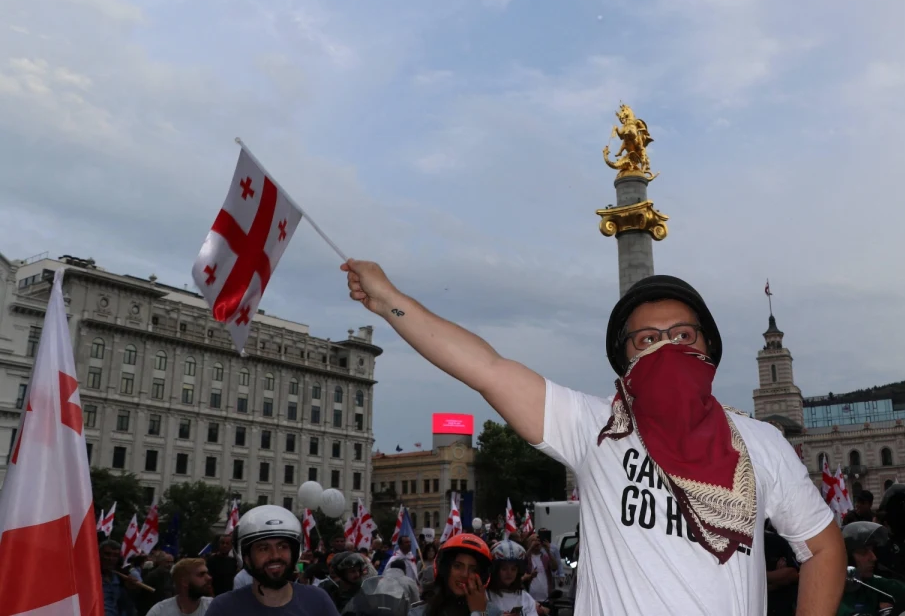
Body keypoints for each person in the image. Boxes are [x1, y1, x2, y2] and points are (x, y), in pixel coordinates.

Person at [342, 261, 845, 615]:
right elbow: (487, 369)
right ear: (625, 361)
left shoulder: (761, 443)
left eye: (683, 335)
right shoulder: (592, 427)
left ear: (708, 350)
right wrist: (390, 301)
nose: (667, 347)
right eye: (647, 339)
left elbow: (822, 548)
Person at [207, 504, 339, 616]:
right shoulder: (223, 608)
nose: (275, 555)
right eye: (263, 548)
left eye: (283, 546)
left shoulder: (318, 601)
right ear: (246, 557)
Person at [838, 522, 905, 615]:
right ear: (847, 559)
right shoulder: (829, 589)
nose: (873, 558)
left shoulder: (869, 582)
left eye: (872, 551)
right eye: (864, 552)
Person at [424, 534, 502, 616]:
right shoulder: (419, 611)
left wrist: (480, 612)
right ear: (445, 569)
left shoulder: (494, 612)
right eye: (457, 566)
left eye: (473, 570)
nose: (465, 574)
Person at [488, 539, 546, 616]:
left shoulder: (525, 598)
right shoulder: (485, 596)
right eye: (504, 569)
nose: (509, 573)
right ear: (495, 571)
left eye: (513, 569)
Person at [147, 559, 214, 616]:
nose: (209, 578)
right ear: (184, 581)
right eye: (201, 574)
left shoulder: (214, 606)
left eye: (207, 573)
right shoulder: (159, 611)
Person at [763, 521, 800, 616]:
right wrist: (776, 580)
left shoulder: (776, 542)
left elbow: (793, 574)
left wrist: (760, 575)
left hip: (779, 607)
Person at [100, 539, 139, 616]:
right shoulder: (90, 578)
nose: (111, 559)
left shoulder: (120, 578)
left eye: (115, 556)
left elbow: (127, 606)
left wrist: (130, 589)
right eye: (107, 554)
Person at [522, 533, 557, 604]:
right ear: (529, 544)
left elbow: (555, 567)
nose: (536, 542)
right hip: (531, 599)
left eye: (538, 540)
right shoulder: (528, 557)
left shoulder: (545, 557)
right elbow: (521, 563)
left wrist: (548, 551)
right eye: (533, 540)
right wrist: (531, 548)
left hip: (546, 598)